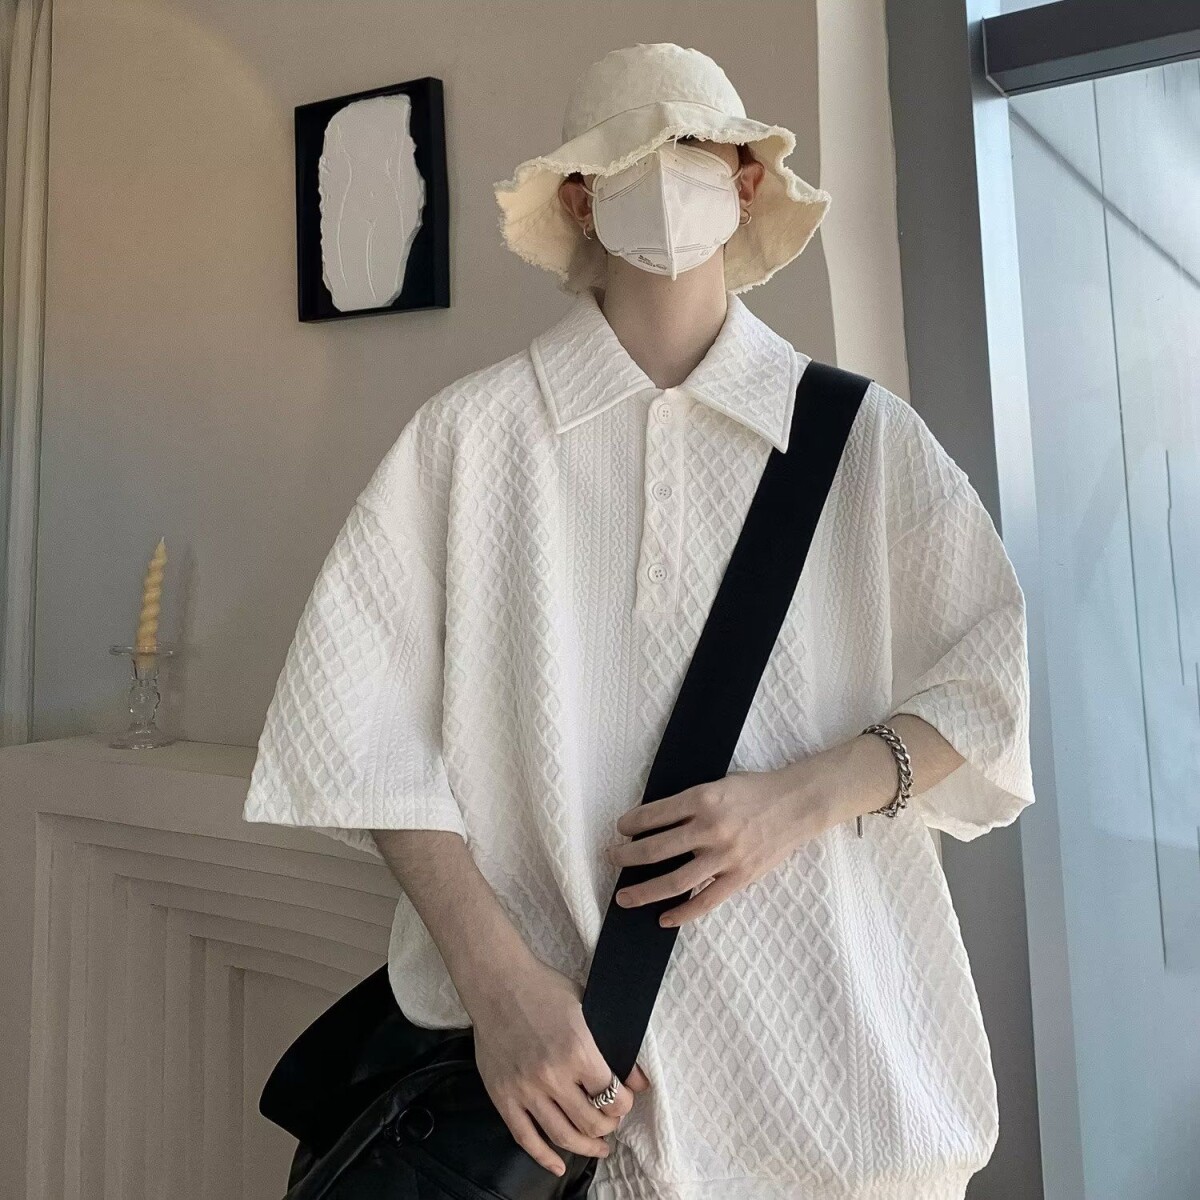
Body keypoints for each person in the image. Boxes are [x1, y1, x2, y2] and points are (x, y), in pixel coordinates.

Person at [244, 42, 1036, 1200]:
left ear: (747, 183)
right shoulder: (470, 442)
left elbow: (991, 677)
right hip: (570, 1099)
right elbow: (352, 730)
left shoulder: (863, 440)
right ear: (579, 198)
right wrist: (496, 986)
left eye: (697, 151)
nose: (665, 179)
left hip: (846, 1099)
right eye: (627, 160)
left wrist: (800, 799)